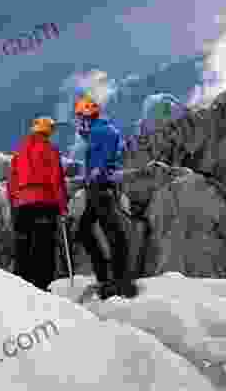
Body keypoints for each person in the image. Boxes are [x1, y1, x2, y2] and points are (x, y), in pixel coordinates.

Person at [73, 92, 136, 298]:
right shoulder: (98, 131)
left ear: (87, 117)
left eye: (80, 118)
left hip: (101, 187)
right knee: (86, 229)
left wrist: (95, 174)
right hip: (97, 188)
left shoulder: (102, 131)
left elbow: (103, 159)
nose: (79, 123)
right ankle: (107, 275)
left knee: (115, 234)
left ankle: (120, 282)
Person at [7, 116, 68, 291]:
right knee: (44, 248)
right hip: (44, 203)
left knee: (23, 248)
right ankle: (42, 288)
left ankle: (21, 288)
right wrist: (62, 206)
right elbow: (56, 179)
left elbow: (11, 181)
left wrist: (15, 203)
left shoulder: (19, 152)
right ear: (48, 130)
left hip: (22, 206)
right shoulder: (49, 149)